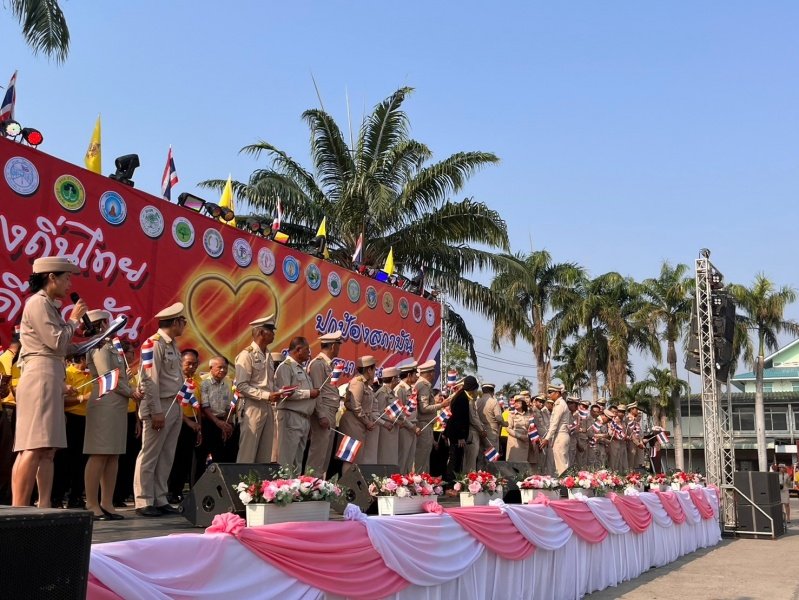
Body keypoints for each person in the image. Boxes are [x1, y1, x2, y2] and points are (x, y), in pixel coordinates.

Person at [12, 256, 87, 507]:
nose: (70, 284)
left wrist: (89, 343)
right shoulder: (38, 303)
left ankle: (43, 506)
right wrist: (74, 320)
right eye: (67, 278)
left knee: (48, 449)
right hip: (40, 376)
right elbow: (57, 342)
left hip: (51, 375)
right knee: (33, 446)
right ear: (51, 277)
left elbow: (60, 346)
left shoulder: (48, 305)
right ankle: (19, 509)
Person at [84, 310, 140, 520]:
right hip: (105, 402)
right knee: (99, 453)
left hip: (117, 404)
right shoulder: (98, 346)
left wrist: (130, 390)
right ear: (101, 324)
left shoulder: (110, 346)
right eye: (107, 322)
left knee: (113, 454)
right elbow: (108, 377)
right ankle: (91, 503)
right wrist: (131, 392)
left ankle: (106, 502)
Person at [133, 302, 187, 517]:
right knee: (150, 454)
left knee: (166, 454)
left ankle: (159, 497)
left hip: (174, 403)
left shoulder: (172, 344)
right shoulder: (153, 344)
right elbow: (149, 380)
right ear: (175, 322)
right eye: (182, 321)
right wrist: (155, 411)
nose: (184, 325)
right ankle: (143, 499)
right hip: (160, 404)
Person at [236, 315, 279, 464]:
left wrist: (280, 392)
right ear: (261, 333)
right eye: (271, 330)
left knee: (265, 454)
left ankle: (259, 480)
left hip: (267, 406)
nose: (273, 334)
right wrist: (267, 395)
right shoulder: (246, 355)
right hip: (252, 406)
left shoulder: (268, 355)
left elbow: (269, 383)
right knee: (248, 453)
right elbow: (241, 385)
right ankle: (243, 480)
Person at [275, 337, 319, 471]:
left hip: (303, 418)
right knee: (286, 460)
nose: (309, 353)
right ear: (298, 349)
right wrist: (309, 393)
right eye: (307, 349)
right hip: (291, 416)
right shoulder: (286, 367)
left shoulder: (301, 369)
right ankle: (283, 484)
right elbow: (285, 393)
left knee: (297, 462)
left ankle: (295, 484)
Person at [306, 331, 344, 476]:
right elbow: (317, 392)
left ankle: (320, 484)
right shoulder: (318, 364)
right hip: (324, 410)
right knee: (318, 452)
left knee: (326, 453)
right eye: (338, 345)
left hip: (331, 410)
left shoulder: (328, 365)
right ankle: (310, 483)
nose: (339, 348)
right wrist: (321, 415)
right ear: (333, 346)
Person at [167, 348, 203, 503]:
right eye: (188, 363)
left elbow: (199, 405)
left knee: (185, 460)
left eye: (195, 364)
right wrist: (188, 422)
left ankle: (178, 491)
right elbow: (174, 404)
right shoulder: (175, 379)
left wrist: (199, 427)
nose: (192, 367)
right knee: (174, 459)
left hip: (193, 424)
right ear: (181, 362)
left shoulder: (199, 381)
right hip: (178, 421)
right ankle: (169, 492)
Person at [113, 342, 141, 507]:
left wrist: (137, 421)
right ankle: (114, 494)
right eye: (131, 352)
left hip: (131, 416)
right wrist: (127, 378)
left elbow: (135, 399)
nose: (133, 355)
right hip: (118, 415)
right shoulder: (117, 371)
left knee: (130, 456)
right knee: (117, 457)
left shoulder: (132, 372)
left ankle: (123, 493)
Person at [339, 356, 377, 473]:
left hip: (359, 423)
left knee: (356, 458)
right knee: (350, 457)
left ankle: (350, 482)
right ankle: (346, 483)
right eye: (374, 369)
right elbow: (356, 407)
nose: (375, 371)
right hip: (353, 423)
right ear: (369, 370)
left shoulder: (365, 384)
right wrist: (367, 422)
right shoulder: (358, 382)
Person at [200, 356, 239, 464]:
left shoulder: (228, 382)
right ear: (211, 368)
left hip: (222, 422)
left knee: (222, 456)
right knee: (202, 456)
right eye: (220, 367)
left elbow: (228, 406)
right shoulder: (203, 382)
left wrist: (226, 424)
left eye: (225, 368)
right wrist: (218, 423)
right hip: (207, 422)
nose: (223, 370)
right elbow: (204, 407)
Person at [443, 376, 480, 486]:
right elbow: (458, 419)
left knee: (457, 459)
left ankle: (453, 483)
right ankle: (451, 484)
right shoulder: (462, 398)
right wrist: (461, 437)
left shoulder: (461, 396)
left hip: (455, 432)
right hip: (457, 434)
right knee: (455, 460)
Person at [414, 360, 448, 473]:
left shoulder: (422, 384)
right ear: (430, 373)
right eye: (433, 372)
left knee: (424, 458)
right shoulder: (424, 386)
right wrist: (441, 405)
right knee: (421, 457)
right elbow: (424, 408)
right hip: (423, 425)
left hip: (425, 425)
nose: (434, 375)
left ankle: (423, 480)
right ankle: (419, 480)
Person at [0, 334, 21, 504]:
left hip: (4, 410)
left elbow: (5, 390)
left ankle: (5, 495)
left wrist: (3, 388)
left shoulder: (10, 361)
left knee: (8, 454)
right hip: (9, 409)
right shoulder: (6, 359)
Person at [539, 383, 571, 476]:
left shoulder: (560, 404)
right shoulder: (558, 404)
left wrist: (546, 438)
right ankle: (564, 482)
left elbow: (554, 424)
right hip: (559, 435)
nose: (549, 395)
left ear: (557, 393)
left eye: (550, 392)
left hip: (560, 435)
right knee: (559, 463)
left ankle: (565, 483)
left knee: (561, 465)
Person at [395, 361, 419, 472]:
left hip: (412, 427)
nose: (416, 376)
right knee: (402, 458)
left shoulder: (410, 389)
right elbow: (399, 413)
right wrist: (411, 426)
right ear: (409, 375)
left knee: (410, 460)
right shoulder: (400, 389)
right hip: (405, 427)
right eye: (414, 374)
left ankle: (407, 480)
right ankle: (399, 480)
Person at [374, 367, 400, 467]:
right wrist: (393, 420)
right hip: (385, 429)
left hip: (392, 428)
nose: (398, 380)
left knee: (392, 457)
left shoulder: (391, 392)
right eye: (397, 378)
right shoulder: (382, 392)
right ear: (393, 379)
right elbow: (380, 412)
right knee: (385, 456)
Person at [505, 397, 531, 462]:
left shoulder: (528, 414)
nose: (516, 404)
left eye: (518, 402)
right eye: (515, 402)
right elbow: (508, 428)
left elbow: (531, 427)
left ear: (523, 403)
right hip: (515, 441)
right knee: (514, 462)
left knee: (523, 462)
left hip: (525, 441)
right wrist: (520, 436)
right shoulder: (511, 414)